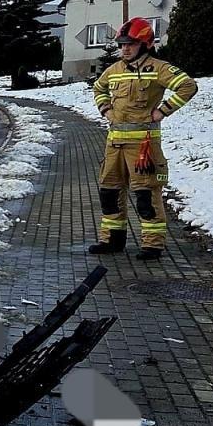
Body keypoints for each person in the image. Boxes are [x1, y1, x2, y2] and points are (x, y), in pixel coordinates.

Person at [88, 17, 197, 261]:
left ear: (145, 44)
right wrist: (106, 110)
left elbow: (187, 86)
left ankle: (152, 245)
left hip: (143, 147)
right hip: (114, 145)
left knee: (146, 196)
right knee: (109, 193)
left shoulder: (158, 68)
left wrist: (163, 110)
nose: (125, 49)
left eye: (131, 44)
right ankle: (111, 240)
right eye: (122, 44)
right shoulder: (114, 70)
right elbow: (98, 88)